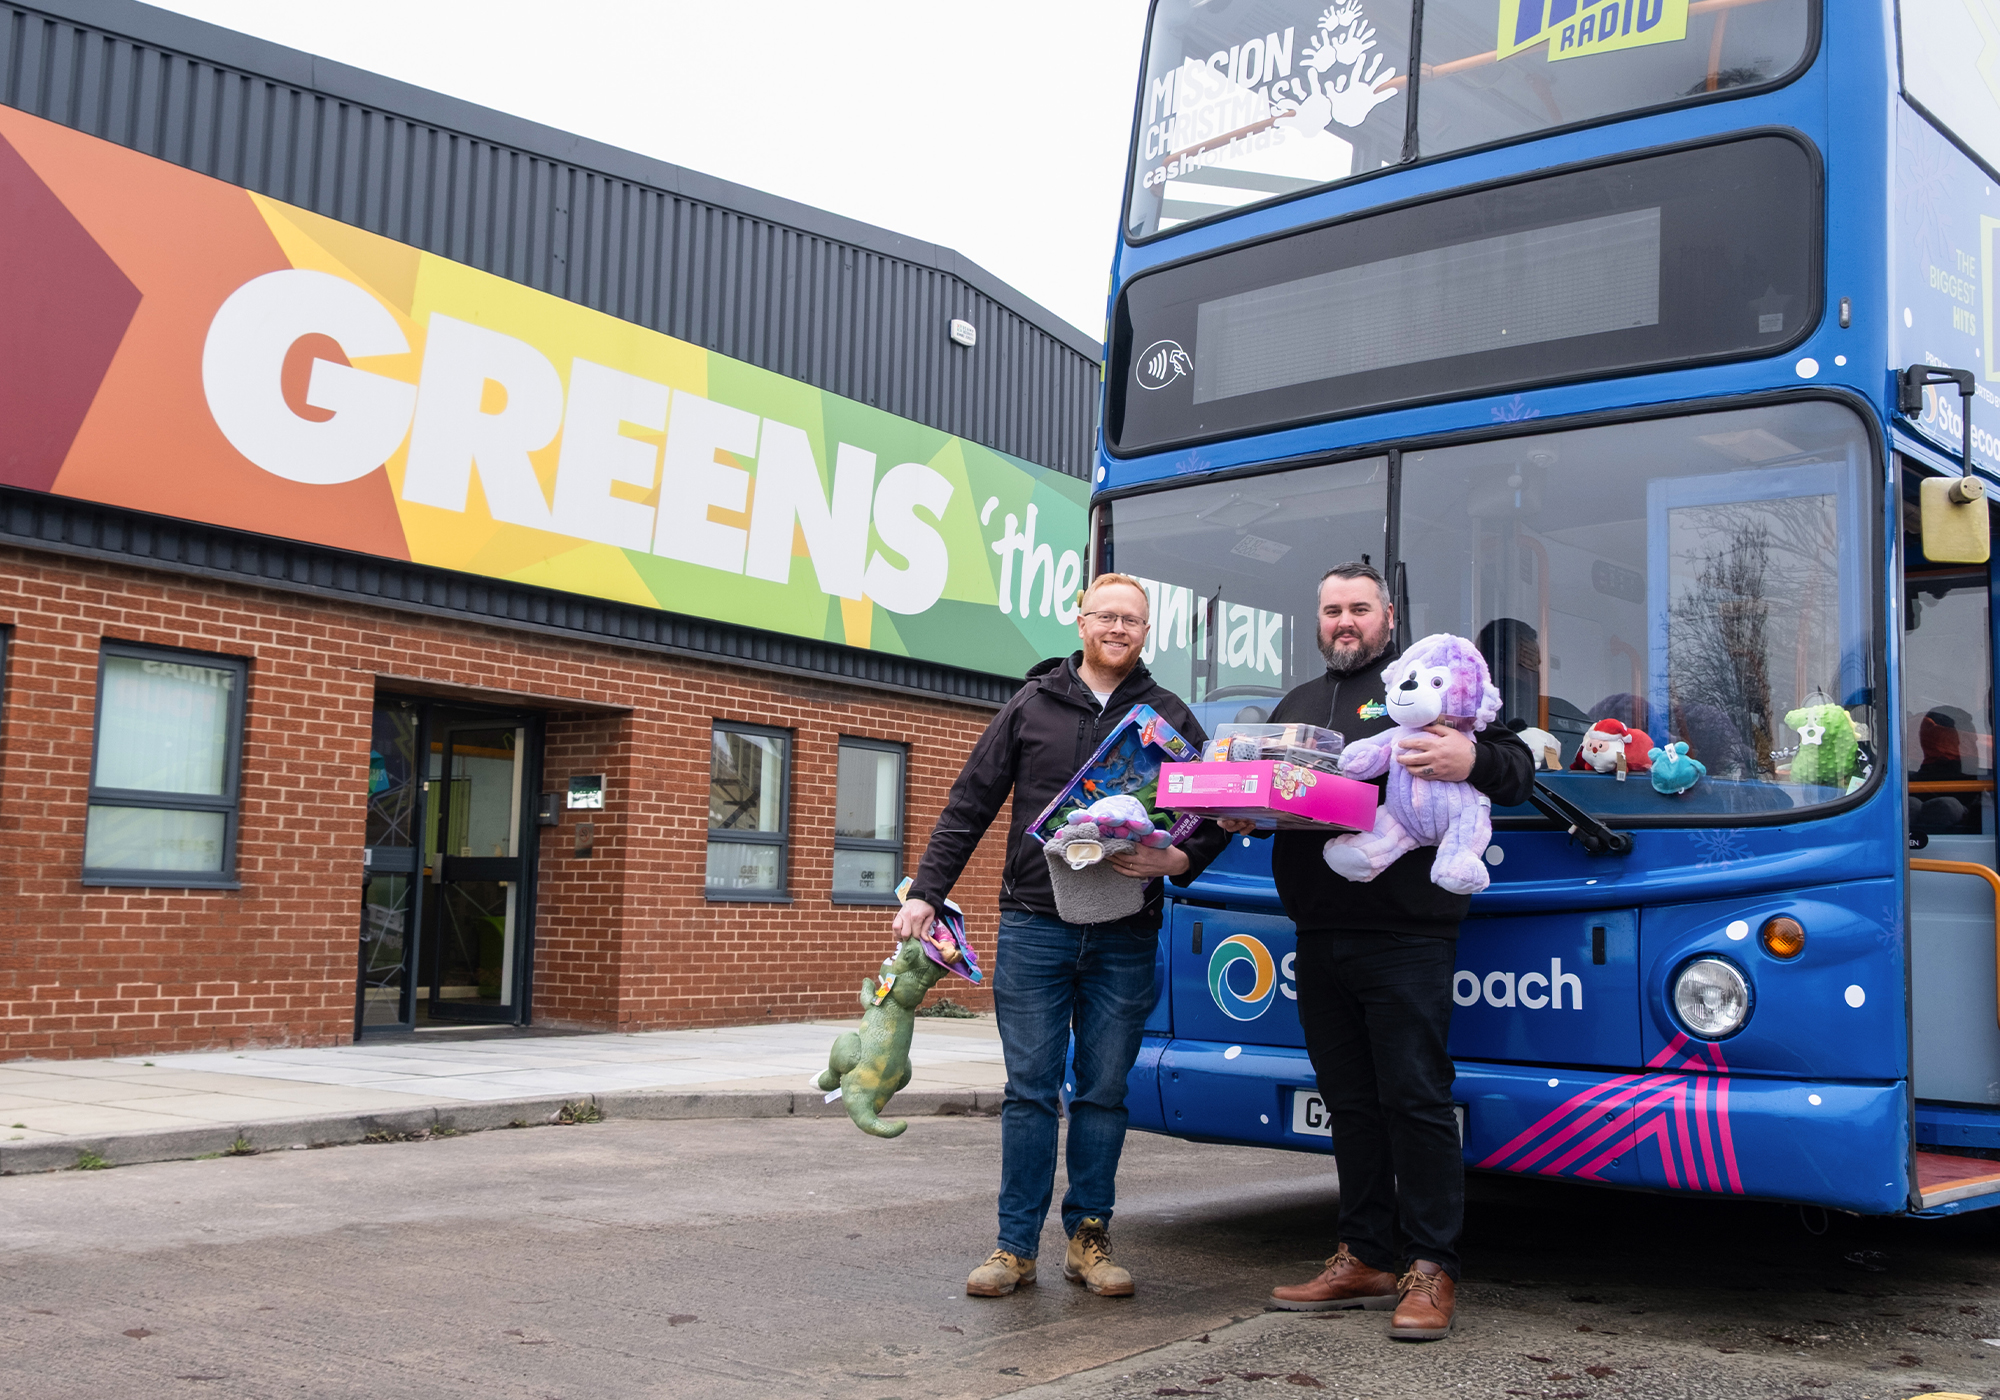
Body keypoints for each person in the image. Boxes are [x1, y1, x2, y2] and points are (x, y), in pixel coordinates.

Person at [1222, 563, 1533, 1340]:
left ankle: (1433, 1267)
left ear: (1388, 616)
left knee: (1416, 1101)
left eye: (1358, 607)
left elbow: (1518, 771)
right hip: (1317, 933)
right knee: (1350, 1105)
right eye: (1331, 610)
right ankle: (1363, 1254)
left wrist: (1475, 763)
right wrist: (1243, 812)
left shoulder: (1431, 682)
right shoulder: (1295, 704)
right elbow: (1288, 798)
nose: (1344, 621)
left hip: (1408, 934)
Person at [897, 573, 1229, 1301]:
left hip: (1126, 930)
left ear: (1148, 632)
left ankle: (1089, 1240)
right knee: (1029, 1093)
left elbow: (1211, 815)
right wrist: (927, 894)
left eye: (1133, 620)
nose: (1118, 628)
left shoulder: (1168, 716)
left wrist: (1181, 859)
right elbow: (969, 803)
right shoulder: (1032, 704)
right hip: (1034, 926)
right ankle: (1014, 1248)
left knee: (1105, 1094)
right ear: (1081, 622)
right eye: (1106, 616)